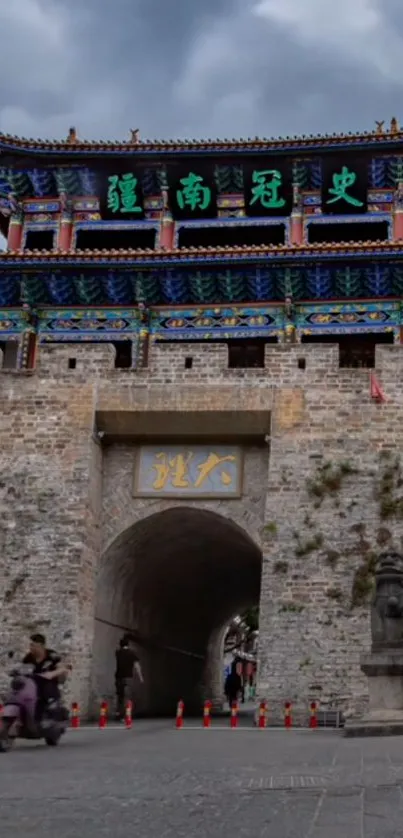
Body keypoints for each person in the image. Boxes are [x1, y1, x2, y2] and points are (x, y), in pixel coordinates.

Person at [22, 633, 70, 725]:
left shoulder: (52, 655)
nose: (30, 647)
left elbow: (63, 668)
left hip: (48, 684)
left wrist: (52, 673)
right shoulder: (28, 657)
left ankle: (50, 717)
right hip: (33, 684)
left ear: (41, 645)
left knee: (48, 689)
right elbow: (22, 667)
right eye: (30, 645)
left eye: (33, 645)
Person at [115, 635, 144, 720]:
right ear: (128, 644)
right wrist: (141, 677)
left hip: (118, 676)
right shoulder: (131, 653)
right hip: (128, 677)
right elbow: (137, 665)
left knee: (120, 695)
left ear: (120, 645)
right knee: (127, 696)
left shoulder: (117, 652)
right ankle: (126, 714)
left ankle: (118, 713)